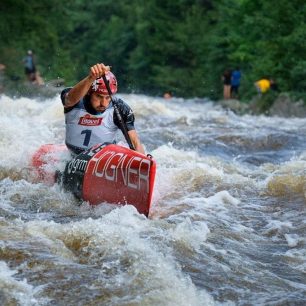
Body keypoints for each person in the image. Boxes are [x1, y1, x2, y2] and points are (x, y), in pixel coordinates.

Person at [60, 63, 145, 155]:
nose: (103, 103)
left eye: (108, 97)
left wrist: (144, 163)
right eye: (99, 96)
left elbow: (135, 142)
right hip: (72, 155)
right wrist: (91, 78)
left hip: (104, 157)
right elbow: (69, 100)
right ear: (89, 92)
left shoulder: (120, 108)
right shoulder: (74, 99)